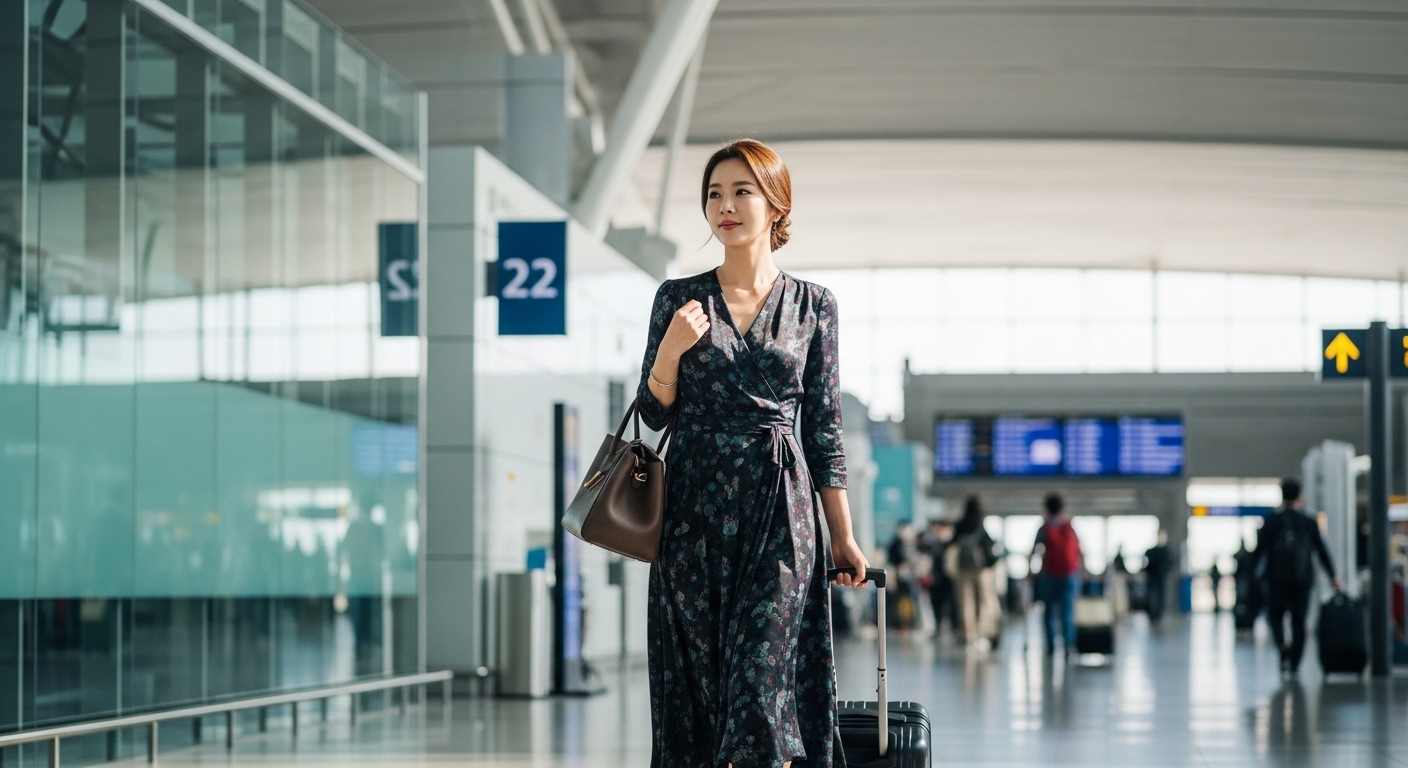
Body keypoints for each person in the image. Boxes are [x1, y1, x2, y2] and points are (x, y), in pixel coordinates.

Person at [637, 139, 870, 768]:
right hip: (692, 517)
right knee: (700, 691)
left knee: (760, 694)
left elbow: (824, 427)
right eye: (714, 193)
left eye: (742, 191)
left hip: (780, 514)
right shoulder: (677, 300)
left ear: (776, 205)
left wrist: (842, 535)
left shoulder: (815, 305)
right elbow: (653, 415)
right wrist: (670, 353)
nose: (726, 205)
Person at [1250, 477, 1340, 678]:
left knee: (1275, 615)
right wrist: (1333, 575)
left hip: (1275, 579)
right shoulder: (1308, 521)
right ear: (1299, 496)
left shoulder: (1271, 521)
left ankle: (1282, 645)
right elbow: (1321, 550)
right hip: (1302, 579)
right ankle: (1295, 664)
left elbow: (1258, 552)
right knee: (1299, 620)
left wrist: (1254, 576)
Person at [1030, 492, 1083, 658]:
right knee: (1067, 611)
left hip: (1049, 575)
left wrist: (1030, 571)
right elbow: (1080, 552)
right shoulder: (1069, 526)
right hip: (1069, 575)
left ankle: (1051, 648)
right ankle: (1068, 645)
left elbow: (1035, 551)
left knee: (1049, 612)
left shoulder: (1045, 527)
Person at [946, 496, 1001, 652]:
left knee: (965, 602)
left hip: (963, 569)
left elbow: (951, 544)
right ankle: (984, 632)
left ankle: (969, 636)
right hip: (981, 569)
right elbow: (990, 547)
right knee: (985, 601)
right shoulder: (980, 525)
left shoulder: (960, 525)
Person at [923, 520, 956, 637]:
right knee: (936, 604)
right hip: (935, 580)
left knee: (950, 605)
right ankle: (938, 627)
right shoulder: (933, 545)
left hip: (948, 581)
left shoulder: (952, 545)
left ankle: (952, 627)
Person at [1143, 531, 1172, 625]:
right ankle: (1152, 615)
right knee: (1151, 596)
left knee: (1161, 597)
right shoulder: (1151, 551)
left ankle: (1158, 615)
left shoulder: (1166, 551)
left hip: (1161, 578)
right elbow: (1145, 562)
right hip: (1152, 577)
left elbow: (1170, 564)